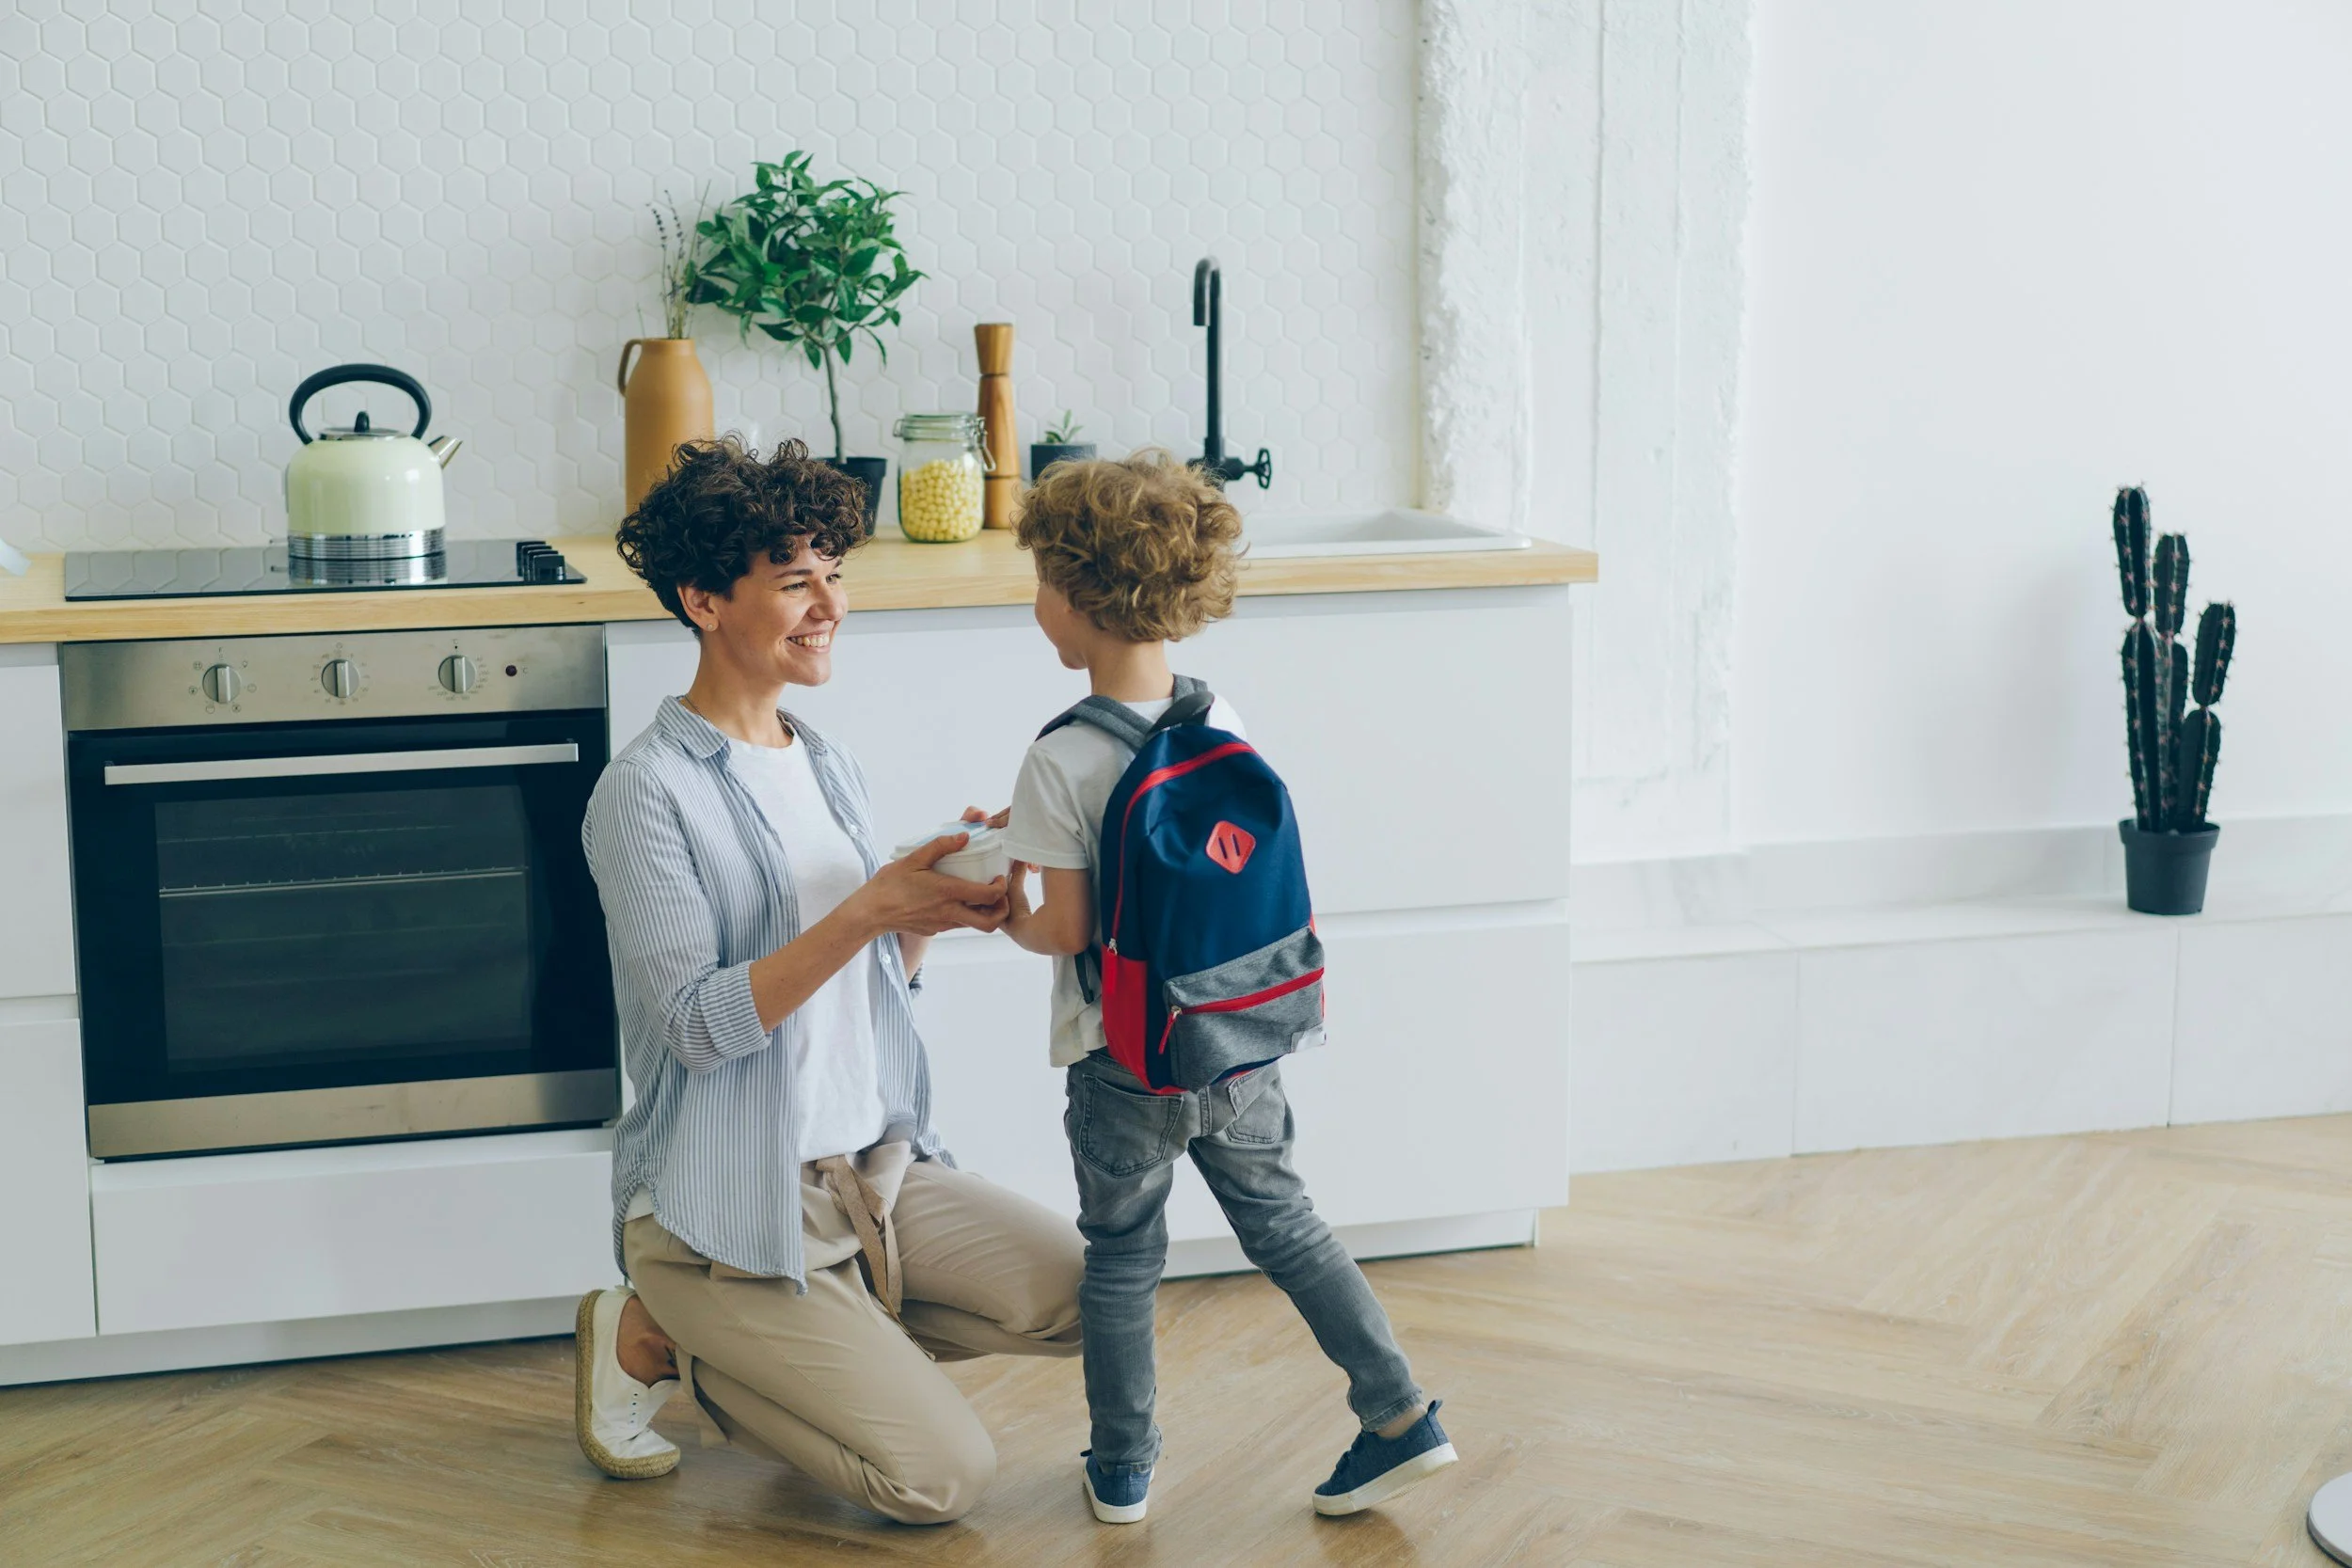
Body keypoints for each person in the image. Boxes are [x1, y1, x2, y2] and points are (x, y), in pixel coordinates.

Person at [570, 437, 1085, 1526]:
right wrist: (868, 907)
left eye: (833, 573)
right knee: (938, 1479)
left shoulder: (825, 759)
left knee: (1092, 1295)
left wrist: (932, 907)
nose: (829, 605)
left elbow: (866, 986)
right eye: (794, 580)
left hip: (875, 1171)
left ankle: (823, 1336)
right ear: (703, 600)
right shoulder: (644, 794)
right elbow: (699, 1026)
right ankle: (667, 1335)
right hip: (732, 1198)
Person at [995, 451, 1458, 1524]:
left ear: (1075, 594)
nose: (1036, 606)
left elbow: (1063, 926)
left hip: (1122, 1061)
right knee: (1289, 1226)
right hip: (1236, 1038)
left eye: (1039, 584)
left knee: (1121, 1254)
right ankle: (1399, 1415)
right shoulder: (1222, 716)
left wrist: (999, 905)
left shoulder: (1061, 755)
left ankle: (1122, 1467)